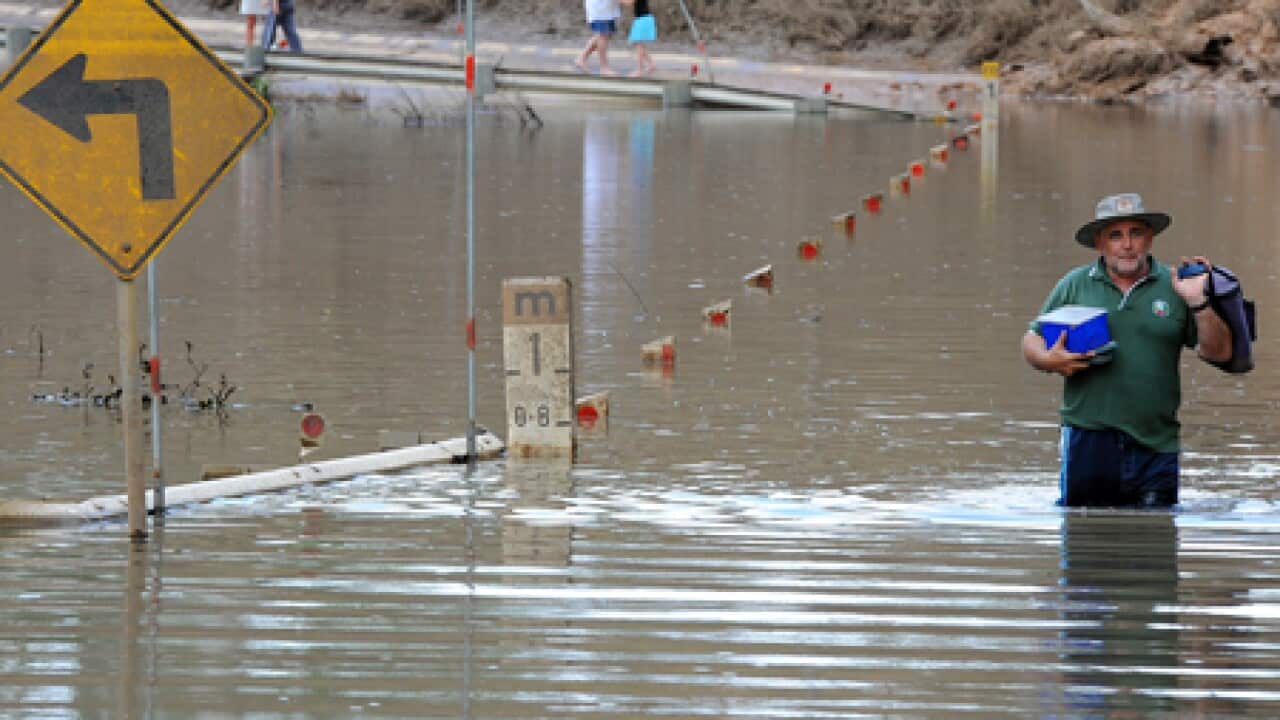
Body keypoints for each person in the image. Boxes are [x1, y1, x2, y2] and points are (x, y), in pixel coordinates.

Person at [1021, 193, 1232, 508]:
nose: (1127, 244)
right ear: (1099, 243)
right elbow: (1032, 339)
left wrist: (1200, 302)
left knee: (1156, 545)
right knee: (1085, 542)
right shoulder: (1074, 285)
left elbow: (1221, 354)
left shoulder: (1177, 287)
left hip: (1157, 443)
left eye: (1136, 233)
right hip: (1088, 437)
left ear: (1150, 238)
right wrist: (1049, 359)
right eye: (1115, 235)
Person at [575, 0, 622, 76]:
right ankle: (604, 68)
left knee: (604, 35)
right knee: (602, 35)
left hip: (607, 9)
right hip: (599, 9)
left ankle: (581, 58)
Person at [627, 0, 657, 77]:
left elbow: (628, 2)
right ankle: (651, 64)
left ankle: (640, 69)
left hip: (643, 19)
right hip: (642, 19)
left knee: (638, 45)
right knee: (639, 45)